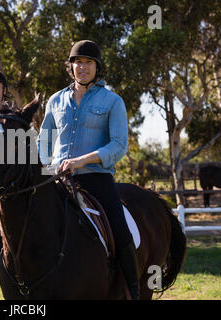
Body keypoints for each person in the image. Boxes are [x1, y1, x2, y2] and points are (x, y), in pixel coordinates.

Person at [37, 40, 140, 299]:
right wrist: (40, 169)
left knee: (119, 228)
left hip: (96, 178)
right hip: (59, 180)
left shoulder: (112, 101)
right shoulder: (55, 100)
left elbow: (118, 145)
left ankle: (132, 290)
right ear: (70, 66)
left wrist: (81, 161)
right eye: (77, 62)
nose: (82, 68)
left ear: (97, 67)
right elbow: (44, 141)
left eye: (88, 63)